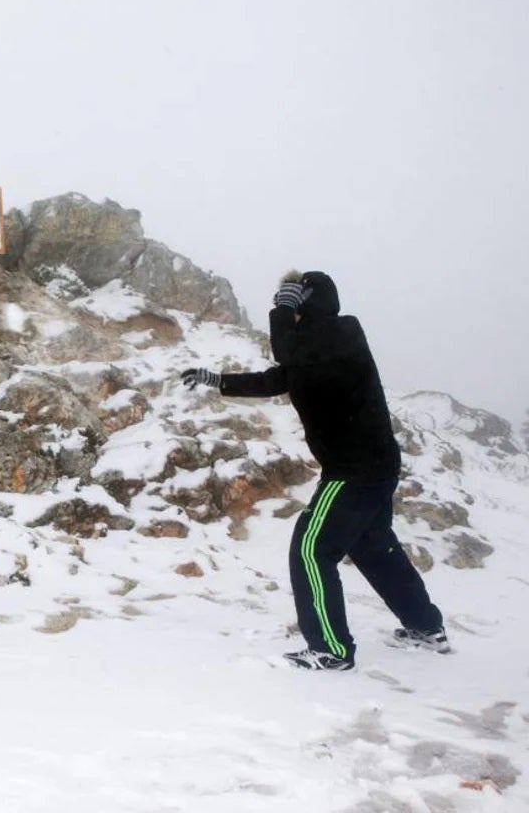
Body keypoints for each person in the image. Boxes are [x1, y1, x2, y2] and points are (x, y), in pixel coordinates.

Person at [181, 270, 448, 671]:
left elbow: (287, 352)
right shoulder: (312, 351)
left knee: (311, 550)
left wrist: (282, 311)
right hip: (368, 466)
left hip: (354, 470)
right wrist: (218, 381)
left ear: (305, 302)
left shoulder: (343, 332)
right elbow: (275, 378)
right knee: (373, 547)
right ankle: (426, 627)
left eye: (288, 302)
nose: (284, 311)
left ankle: (331, 649)